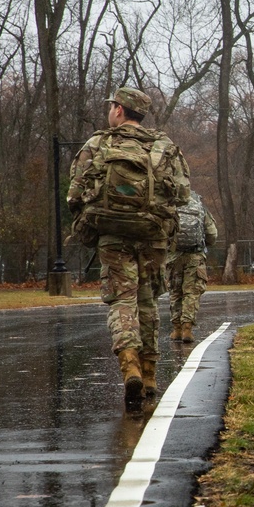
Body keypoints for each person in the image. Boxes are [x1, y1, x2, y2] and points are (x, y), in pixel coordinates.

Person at [67, 87, 190, 407]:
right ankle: (149, 375)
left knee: (122, 300)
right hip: (153, 236)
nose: (110, 111)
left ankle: (130, 365)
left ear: (119, 111)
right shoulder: (164, 146)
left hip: (113, 237)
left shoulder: (98, 143)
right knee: (148, 301)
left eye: (112, 107)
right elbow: (183, 195)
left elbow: (74, 194)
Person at [166, 192, 218, 343]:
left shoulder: (170, 204)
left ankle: (176, 329)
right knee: (191, 292)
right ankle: (187, 328)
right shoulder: (199, 205)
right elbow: (212, 234)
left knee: (175, 292)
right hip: (195, 256)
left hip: (173, 255)